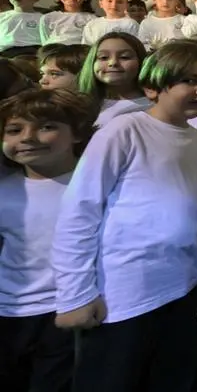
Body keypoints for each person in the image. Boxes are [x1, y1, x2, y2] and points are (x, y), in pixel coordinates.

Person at [52, 40, 197, 392]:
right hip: (125, 295)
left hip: (182, 288)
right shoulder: (124, 131)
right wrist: (75, 294)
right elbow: (79, 211)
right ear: (153, 87)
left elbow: (196, 208)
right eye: (189, 79)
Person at [0, 88, 97, 392]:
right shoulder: (4, 189)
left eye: (46, 126)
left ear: (77, 133)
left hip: (67, 310)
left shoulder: (94, 183)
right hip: (9, 312)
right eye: (14, 130)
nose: (27, 137)